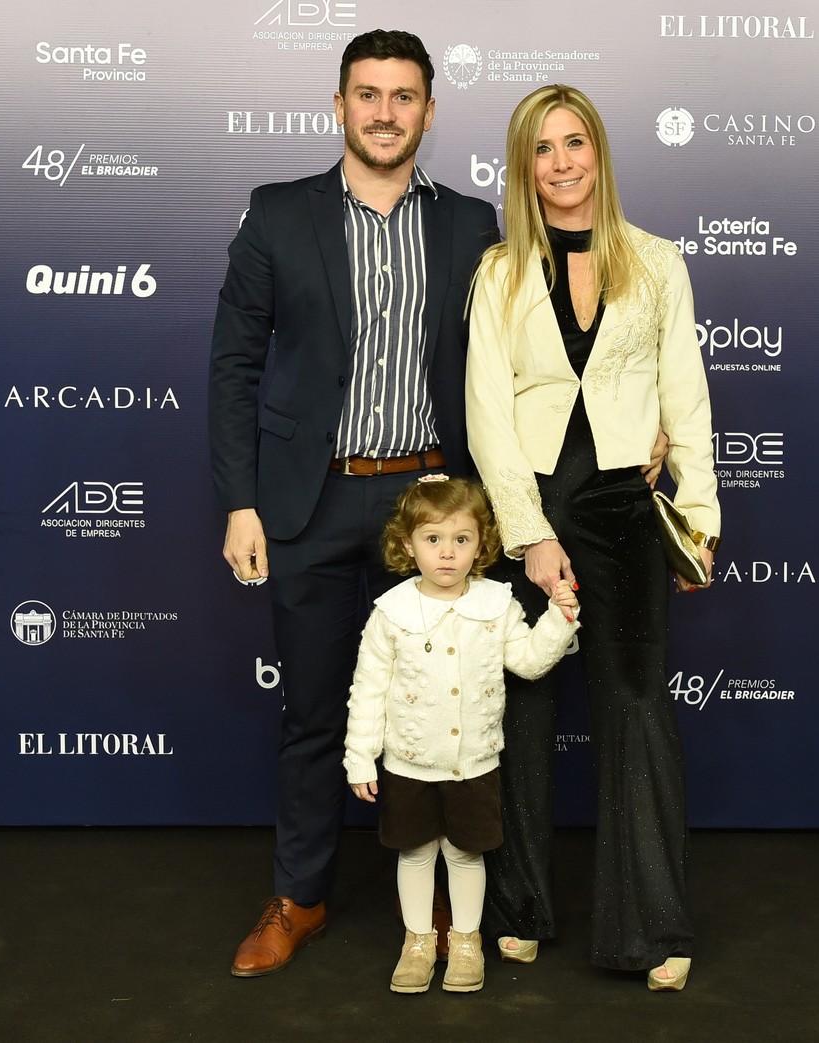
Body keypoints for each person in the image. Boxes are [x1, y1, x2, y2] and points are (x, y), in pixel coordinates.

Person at [209, 29, 500, 978]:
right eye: (367, 94)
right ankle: (301, 896)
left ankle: (461, 908)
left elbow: (516, 366)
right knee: (313, 715)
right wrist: (240, 502)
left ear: (427, 110)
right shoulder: (278, 214)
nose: (384, 111)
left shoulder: (470, 225)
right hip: (310, 500)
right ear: (338, 106)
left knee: (460, 712)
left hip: (432, 507)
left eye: (403, 96)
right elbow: (234, 366)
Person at [464, 84, 720, 992]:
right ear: (522, 166)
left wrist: (699, 518)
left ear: (599, 154)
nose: (561, 162)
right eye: (542, 148)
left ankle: (649, 924)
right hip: (529, 508)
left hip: (621, 510)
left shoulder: (657, 260)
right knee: (522, 720)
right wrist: (528, 536)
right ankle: (522, 908)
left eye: (575, 143)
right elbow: (488, 416)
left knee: (636, 707)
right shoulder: (497, 272)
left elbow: (683, 392)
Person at [343, 475, 580, 993]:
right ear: (408, 545)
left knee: (466, 853)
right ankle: (418, 941)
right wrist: (360, 758)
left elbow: (529, 662)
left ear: (481, 543)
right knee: (415, 853)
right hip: (408, 764)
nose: (447, 553)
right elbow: (368, 690)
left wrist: (560, 619)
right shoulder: (392, 612)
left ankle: (467, 941)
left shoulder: (497, 604)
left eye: (461, 539)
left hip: (474, 762)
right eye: (433, 540)